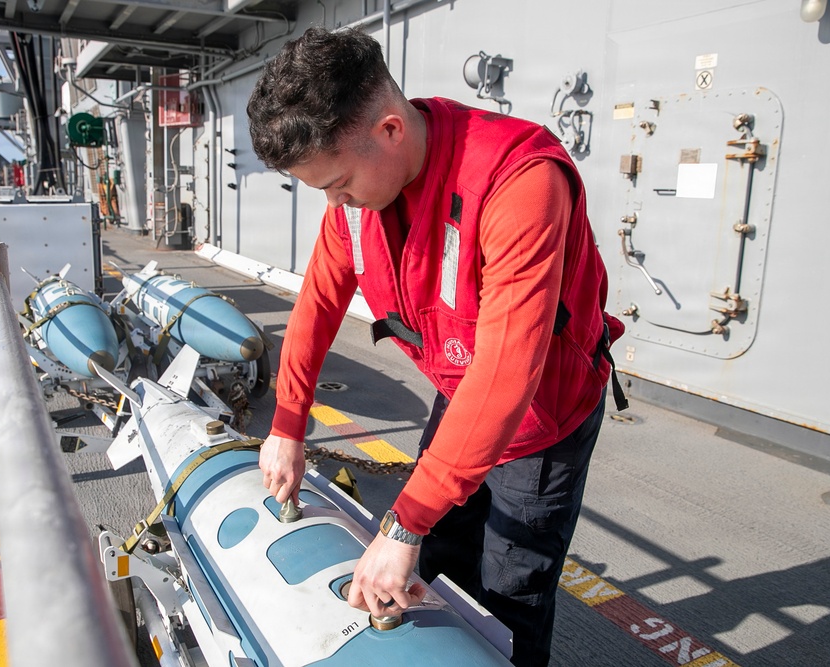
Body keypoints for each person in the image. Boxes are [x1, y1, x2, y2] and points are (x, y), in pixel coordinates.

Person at [246, 25, 626, 667]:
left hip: (542, 416)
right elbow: (317, 304)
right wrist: (288, 423)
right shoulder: (355, 201)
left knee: (512, 593)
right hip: (461, 391)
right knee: (437, 561)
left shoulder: (520, 181)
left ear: (390, 129)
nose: (335, 203)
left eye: (337, 183)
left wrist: (404, 521)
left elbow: (509, 370)